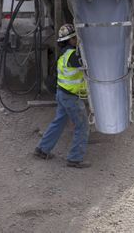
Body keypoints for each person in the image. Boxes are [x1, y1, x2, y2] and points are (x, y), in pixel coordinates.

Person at [34, 23, 91, 168]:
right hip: (71, 97)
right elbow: (90, 62)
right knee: (82, 126)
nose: (78, 40)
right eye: (75, 38)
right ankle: (75, 158)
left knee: (58, 121)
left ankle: (42, 149)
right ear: (71, 40)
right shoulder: (74, 56)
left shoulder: (63, 55)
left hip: (62, 94)